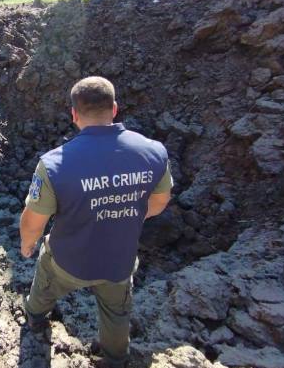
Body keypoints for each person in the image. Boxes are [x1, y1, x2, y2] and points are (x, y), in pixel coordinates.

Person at [19, 76, 173, 368]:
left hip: (68, 260)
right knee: (117, 313)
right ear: (114, 109)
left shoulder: (54, 164)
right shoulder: (154, 152)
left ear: (74, 114)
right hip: (119, 260)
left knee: (45, 277)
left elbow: (34, 222)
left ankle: (36, 319)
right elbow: (160, 201)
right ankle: (115, 359)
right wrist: (121, 215)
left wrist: (28, 244)